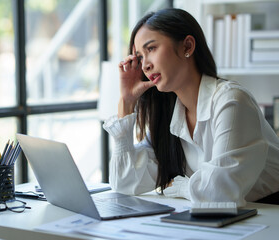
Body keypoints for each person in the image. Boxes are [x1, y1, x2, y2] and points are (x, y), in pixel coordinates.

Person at [103, 8, 279, 207]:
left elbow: (221, 193)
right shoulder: (169, 115)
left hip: (271, 213)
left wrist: (178, 187)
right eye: (140, 57)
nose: (145, 66)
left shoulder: (231, 101)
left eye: (151, 49)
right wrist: (126, 102)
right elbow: (124, 183)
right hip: (228, 218)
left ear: (187, 45)